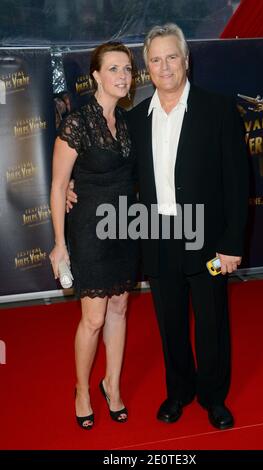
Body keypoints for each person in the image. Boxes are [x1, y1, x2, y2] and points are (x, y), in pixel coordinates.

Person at [67, 24, 249, 430]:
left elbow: (238, 183)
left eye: (171, 57)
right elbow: (105, 163)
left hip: (209, 243)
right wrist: (71, 187)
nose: (163, 66)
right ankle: (179, 392)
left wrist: (231, 245)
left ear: (186, 61)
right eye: (155, 59)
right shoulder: (135, 120)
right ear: (146, 68)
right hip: (158, 238)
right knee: (170, 321)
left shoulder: (218, 110)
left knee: (212, 318)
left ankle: (213, 397)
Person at [49, 42, 138, 430]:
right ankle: (82, 389)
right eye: (114, 68)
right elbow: (57, 187)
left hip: (126, 228)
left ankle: (111, 385)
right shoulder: (77, 122)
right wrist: (59, 244)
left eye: (128, 69)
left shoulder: (129, 122)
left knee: (119, 309)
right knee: (94, 317)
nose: (122, 76)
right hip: (89, 230)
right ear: (96, 76)